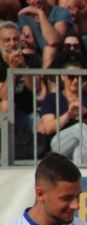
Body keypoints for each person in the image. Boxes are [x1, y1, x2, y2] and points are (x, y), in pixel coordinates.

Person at [39, 57, 87, 164]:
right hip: (59, 145)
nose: (76, 80)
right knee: (80, 127)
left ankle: (81, 179)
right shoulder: (52, 98)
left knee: (82, 151)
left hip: (86, 144)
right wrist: (68, 115)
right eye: (71, 76)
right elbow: (48, 128)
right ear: (63, 77)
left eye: (79, 76)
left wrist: (86, 115)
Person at [0, 21, 44, 160]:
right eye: (7, 40)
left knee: (41, 124)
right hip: (4, 112)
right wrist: (12, 70)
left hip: (29, 112)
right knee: (7, 105)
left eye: (15, 39)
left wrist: (23, 68)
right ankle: (5, 156)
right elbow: (4, 96)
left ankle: (39, 159)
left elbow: (36, 89)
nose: (12, 44)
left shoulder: (31, 59)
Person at [17, 0, 73, 66]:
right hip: (39, 56)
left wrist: (40, 13)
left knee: (50, 49)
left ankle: (44, 75)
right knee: (27, 51)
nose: (37, 0)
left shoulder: (61, 12)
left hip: (62, 54)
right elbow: (32, 43)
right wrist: (29, 43)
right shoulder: (24, 15)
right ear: (27, 1)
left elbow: (53, 40)